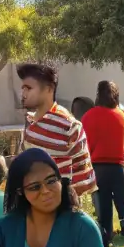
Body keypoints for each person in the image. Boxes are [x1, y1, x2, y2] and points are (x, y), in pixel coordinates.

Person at [18, 62, 96, 195]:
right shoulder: (32, 121)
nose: (23, 94)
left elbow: (82, 180)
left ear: (49, 89)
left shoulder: (66, 126)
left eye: (29, 88)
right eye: (23, 88)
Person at [81, 81, 124, 247]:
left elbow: (85, 145)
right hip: (118, 167)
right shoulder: (122, 115)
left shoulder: (88, 116)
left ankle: (106, 241)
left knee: (103, 207)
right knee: (121, 202)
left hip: (98, 168)